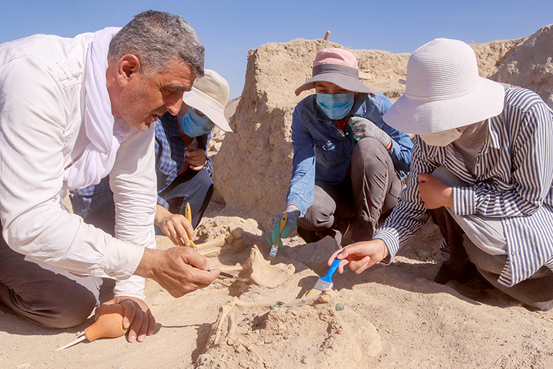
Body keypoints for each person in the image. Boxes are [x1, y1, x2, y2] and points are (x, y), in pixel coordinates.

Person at [0, 10, 221, 342]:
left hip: (22, 208)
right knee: (75, 290)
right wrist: (149, 263)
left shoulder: (134, 108)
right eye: (171, 90)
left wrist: (131, 293)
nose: (176, 108)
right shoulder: (39, 77)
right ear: (127, 69)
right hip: (18, 211)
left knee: (87, 288)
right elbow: (27, 220)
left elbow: (136, 197)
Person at [330, 38, 553, 311]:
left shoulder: (525, 113)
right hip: (486, 215)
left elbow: (528, 200)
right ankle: (465, 268)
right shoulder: (429, 134)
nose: (430, 125)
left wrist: (452, 196)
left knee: (487, 251)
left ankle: (542, 290)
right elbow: (413, 202)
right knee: (436, 182)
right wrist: (382, 244)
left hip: (537, 215)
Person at [268, 48, 412, 248]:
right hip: (337, 192)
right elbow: (304, 166)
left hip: (381, 196)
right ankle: (339, 225)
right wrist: (292, 207)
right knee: (306, 212)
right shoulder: (305, 112)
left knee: (369, 146)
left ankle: (364, 233)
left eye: (341, 89)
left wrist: (384, 139)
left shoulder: (378, 107)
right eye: (323, 90)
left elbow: (409, 160)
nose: (332, 96)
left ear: (354, 89)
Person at [70, 69, 232, 246]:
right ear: (181, 100)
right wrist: (163, 215)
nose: (204, 123)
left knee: (202, 181)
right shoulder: (153, 126)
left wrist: (203, 163)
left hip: (152, 195)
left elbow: (198, 176)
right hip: (106, 199)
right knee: (138, 244)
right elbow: (127, 184)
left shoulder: (200, 134)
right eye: (200, 113)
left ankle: (178, 239)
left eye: (210, 119)